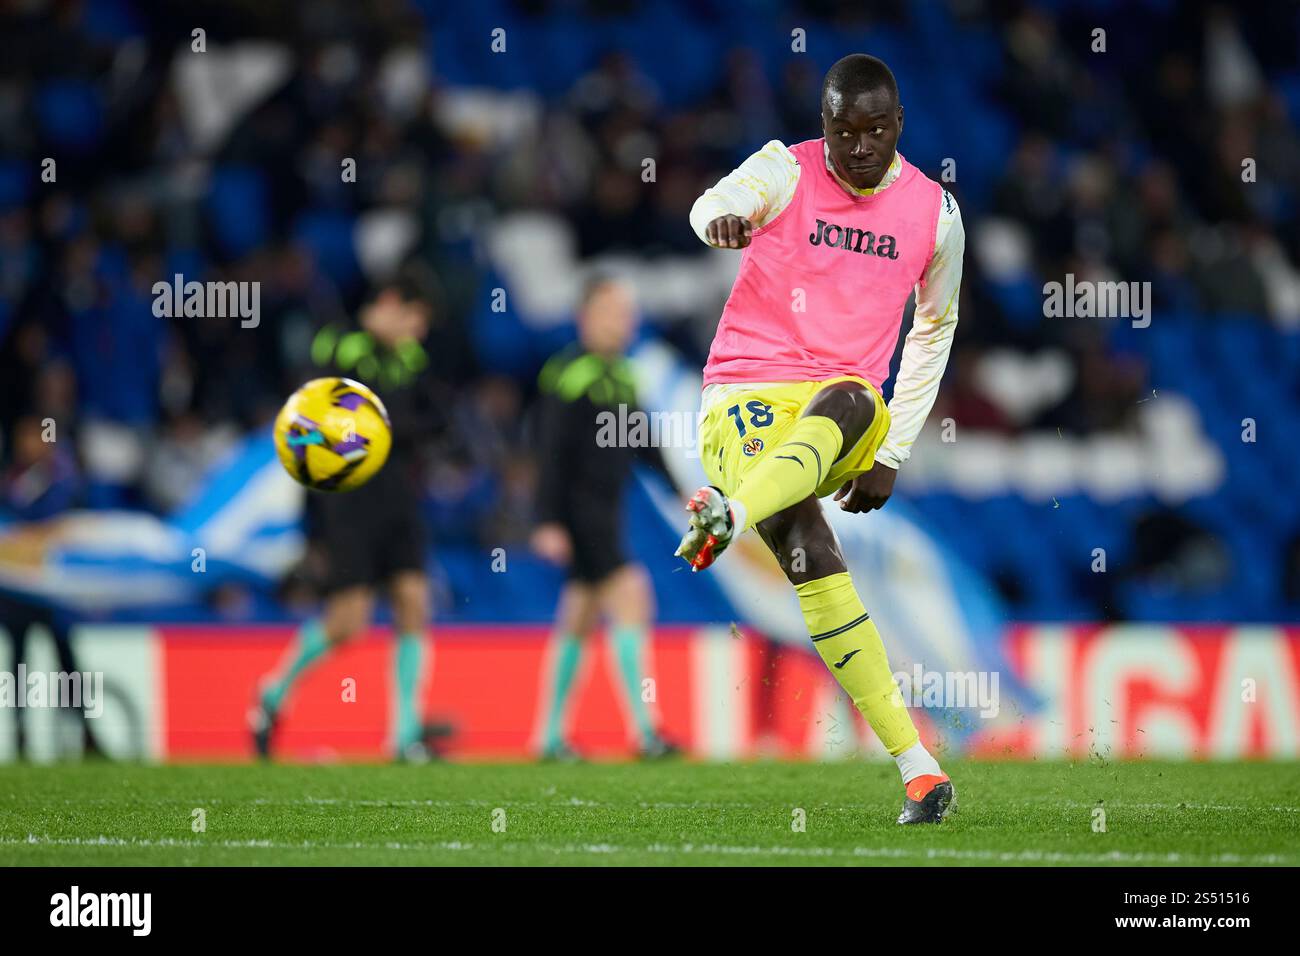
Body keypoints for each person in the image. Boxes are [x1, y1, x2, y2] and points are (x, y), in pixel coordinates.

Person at [676, 54, 965, 823]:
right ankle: (919, 767)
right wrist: (722, 225)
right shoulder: (785, 170)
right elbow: (711, 204)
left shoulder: (936, 216)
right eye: (845, 132)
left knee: (853, 397)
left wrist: (893, 454)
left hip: (844, 408)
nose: (861, 147)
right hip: (744, 393)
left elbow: (936, 329)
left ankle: (726, 517)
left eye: (875, 131)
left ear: (899, 126)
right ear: (823, 127)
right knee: (812, 551)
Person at [250, 266, 452, 761]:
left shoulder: (411, 359)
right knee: (348, 620)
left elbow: (438, 419)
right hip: (346, 501)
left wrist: (385, 427)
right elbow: (318, 425)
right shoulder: (337, 347)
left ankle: (404, 736)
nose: (418, 333)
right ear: (389, 303)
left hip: (398, 496)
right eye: (414, 319)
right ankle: (274, 693)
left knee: (412, 600)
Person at [530, 277, 677, 760]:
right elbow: (548, 453)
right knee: (632, 596)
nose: (623, 320)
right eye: (613, 311)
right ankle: (645, 732)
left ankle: (549, 737)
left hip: (606, 512)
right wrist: (547, 520)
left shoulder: (622, 376)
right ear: (586, 317)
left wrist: (682, 492)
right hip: (579, 513)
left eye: (626, 312)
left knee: (578, 618)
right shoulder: (570, 374)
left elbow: (644, 444)